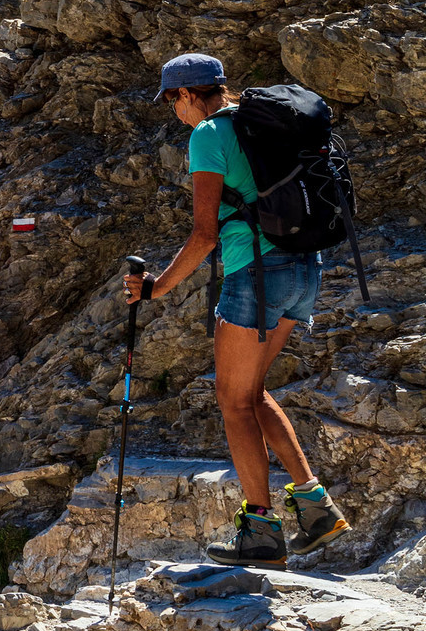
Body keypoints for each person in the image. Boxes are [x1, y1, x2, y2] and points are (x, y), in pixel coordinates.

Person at [122, 51, 351, 565]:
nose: (175, 112)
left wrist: (157, 288)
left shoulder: (209, 135)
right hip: (304, 269)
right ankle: (317, 509)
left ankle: (261, 531)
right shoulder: (261, 123)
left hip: (257, 275)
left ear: (187, 94)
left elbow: (205, 234)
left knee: (233, 402)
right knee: (252, 392)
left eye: (173, 101)